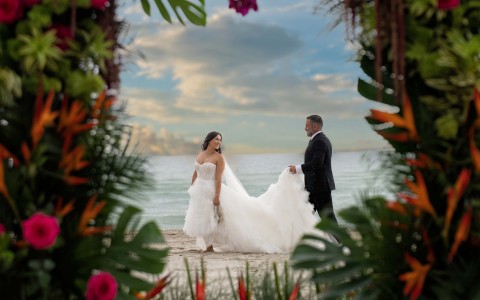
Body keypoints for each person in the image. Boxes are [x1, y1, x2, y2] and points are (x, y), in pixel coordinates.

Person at [183, 131, 336, 253]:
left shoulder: (218, 158)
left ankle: (210, 246)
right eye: (216, 139)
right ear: (209, 140)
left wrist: (216, 196)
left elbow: (218, 179)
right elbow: (195, 172)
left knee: (214, 217)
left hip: (213, 190)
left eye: (220, 140)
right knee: (201, 216)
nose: (219, 142)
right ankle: (207, 245)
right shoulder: (201, 154)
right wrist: (193, 187)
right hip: (199, 190)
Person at [289, 115, 338, 225]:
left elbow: (317, 163)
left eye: (307, 126)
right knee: (304, 216)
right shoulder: (318, 140)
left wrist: (297, 168)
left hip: (319, 189)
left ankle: (339, 242)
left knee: (328, 220)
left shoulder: (319, 141)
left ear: (315, 127)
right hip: (315, 188)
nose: (305, 128)